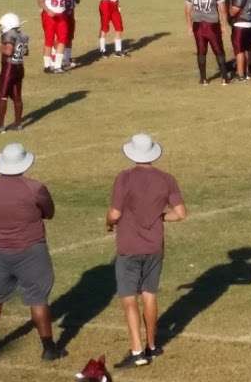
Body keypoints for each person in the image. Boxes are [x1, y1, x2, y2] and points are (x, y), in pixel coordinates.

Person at [0, 143, 65, 361]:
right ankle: (48, 347)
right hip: (30, 249)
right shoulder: (34, 188)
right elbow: (49, 212)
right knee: (37, 299)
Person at [106, 133, 187, 368]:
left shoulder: (124, 178)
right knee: (150, 295)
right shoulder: (167, 179)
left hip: (129, 247)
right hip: (154, 246)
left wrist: (108, 222)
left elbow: (115, 214)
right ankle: (152, 345)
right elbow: (180, 214)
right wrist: (161, 216)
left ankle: (137, 351)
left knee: (129, 299)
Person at [185, 0, 231, 85]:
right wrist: (224, 25)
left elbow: (187, 11)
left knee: (201, 51)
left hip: (198, 25)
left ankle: (203, 79)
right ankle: (224, 78)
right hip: (212, 25)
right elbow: (222, 10)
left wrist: (189, 26)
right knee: (219, 51)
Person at [0, 13, 29, 133]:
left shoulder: (9, 35)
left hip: (9, 68)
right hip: (19, 67)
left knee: (2, 96)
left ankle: (0, 126)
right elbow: (26, 52)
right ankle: (18, 124)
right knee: (17, 96)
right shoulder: (22, 35)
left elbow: (8, 51)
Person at [35, 0, 70, 73]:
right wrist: (48, 10)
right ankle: (47, 66)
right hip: (49, 15)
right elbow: (40, 1)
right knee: (49, 40)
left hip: (62, 15)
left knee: (62, 39)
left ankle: (57, 66)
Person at [62, 0, 80, 69]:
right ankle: (56, 59)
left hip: (71, 13)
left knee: (69, 37)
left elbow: (77, 1)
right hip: (62, 14)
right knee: (61, 37)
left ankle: (67, 59)